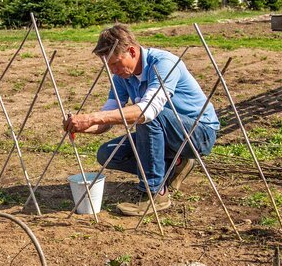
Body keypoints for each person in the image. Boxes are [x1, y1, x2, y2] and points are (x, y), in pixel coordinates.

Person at [63, 23, 220, 216]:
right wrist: (81, 125)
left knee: (147, 115)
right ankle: (176, 163)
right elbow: (107, 118)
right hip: (165, 134)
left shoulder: (163, 63)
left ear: (131, 51)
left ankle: (155, 192)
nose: (113, 71)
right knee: (107, 154)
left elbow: (148, 111)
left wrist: (92, 117)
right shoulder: (121, 77)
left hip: (198, 134)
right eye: (108, 66)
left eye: (115, 63)